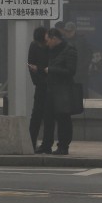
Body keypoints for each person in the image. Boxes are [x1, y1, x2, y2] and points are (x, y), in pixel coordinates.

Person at [39, 27, 78, 155]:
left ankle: (63, 146)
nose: (47, 43)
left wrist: (51, 70)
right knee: (48, 118)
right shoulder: (50, 51)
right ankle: (46, 145)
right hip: (50, 89)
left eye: (48, 40)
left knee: (63, 118)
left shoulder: (69, 50)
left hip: (63, 90)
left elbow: (71, 71)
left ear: (54, 39)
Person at [26, 26, 50, 149]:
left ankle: (46, 144)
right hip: (41, 85)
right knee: (36, 115)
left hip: (49, 84)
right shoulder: (34, 46)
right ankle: (31, 142)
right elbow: (31, 65)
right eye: (46, 34)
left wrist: (40, 70)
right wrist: (38, 81)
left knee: (47, 115)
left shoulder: (50, 46)